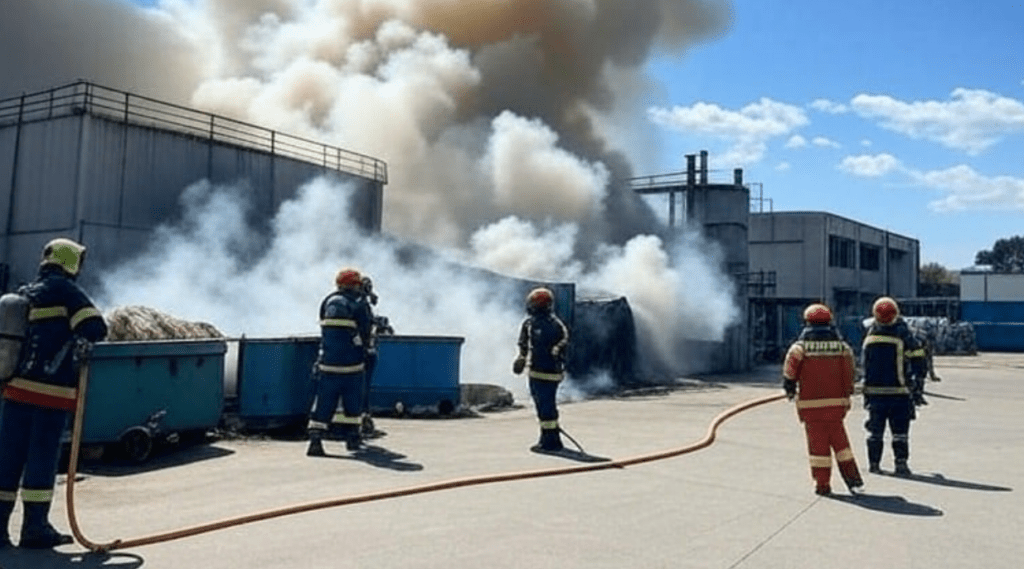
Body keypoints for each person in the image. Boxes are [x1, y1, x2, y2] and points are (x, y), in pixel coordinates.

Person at [0, 238, 108, 548]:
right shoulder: (65, 291)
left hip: (15, 391)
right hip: (49, 394)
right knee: (42, 458)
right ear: (70, 262)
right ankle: (35, 528)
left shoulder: (26, 292)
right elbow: (96, 327)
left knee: (8, 458)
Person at [782, 303, 864, 496]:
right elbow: (850, 374)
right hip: (836, 406)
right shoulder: (842, 348)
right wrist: (847, 393)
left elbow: (789, 372)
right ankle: (853, 480)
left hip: (811, 407)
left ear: (807, 323)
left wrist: (790, 389)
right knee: (841, 444)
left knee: (818, 447)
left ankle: (822, 484)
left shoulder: (799, 349)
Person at [306, 268, 373, 457]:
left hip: (327, 364)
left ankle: (315, 441)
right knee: (353, 402)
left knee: (323, 403)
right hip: (352, 366)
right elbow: (366, 331)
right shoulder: (359, 303)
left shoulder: (327, 301)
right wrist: (366, 350)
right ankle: (352, 438)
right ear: (355, 285)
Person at [861, 296, 927, 476]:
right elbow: (919, 360)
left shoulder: (869, 334)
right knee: (900, 433)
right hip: (899, 392)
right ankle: (901, 464)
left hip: (874, 393)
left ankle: (874, 464)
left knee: (875, 432)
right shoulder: (903, 335)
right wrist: (918, 385)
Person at [512, 287, 569, 452]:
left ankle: (550, 442)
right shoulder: (553, 324)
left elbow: (524, 345)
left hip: (543, 373)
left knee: (545, 407)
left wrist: (522, 358)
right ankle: (549, 437)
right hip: (545, 373)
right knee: (545, 406)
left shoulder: (534, 324)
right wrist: (522, 358)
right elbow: (525, 344)